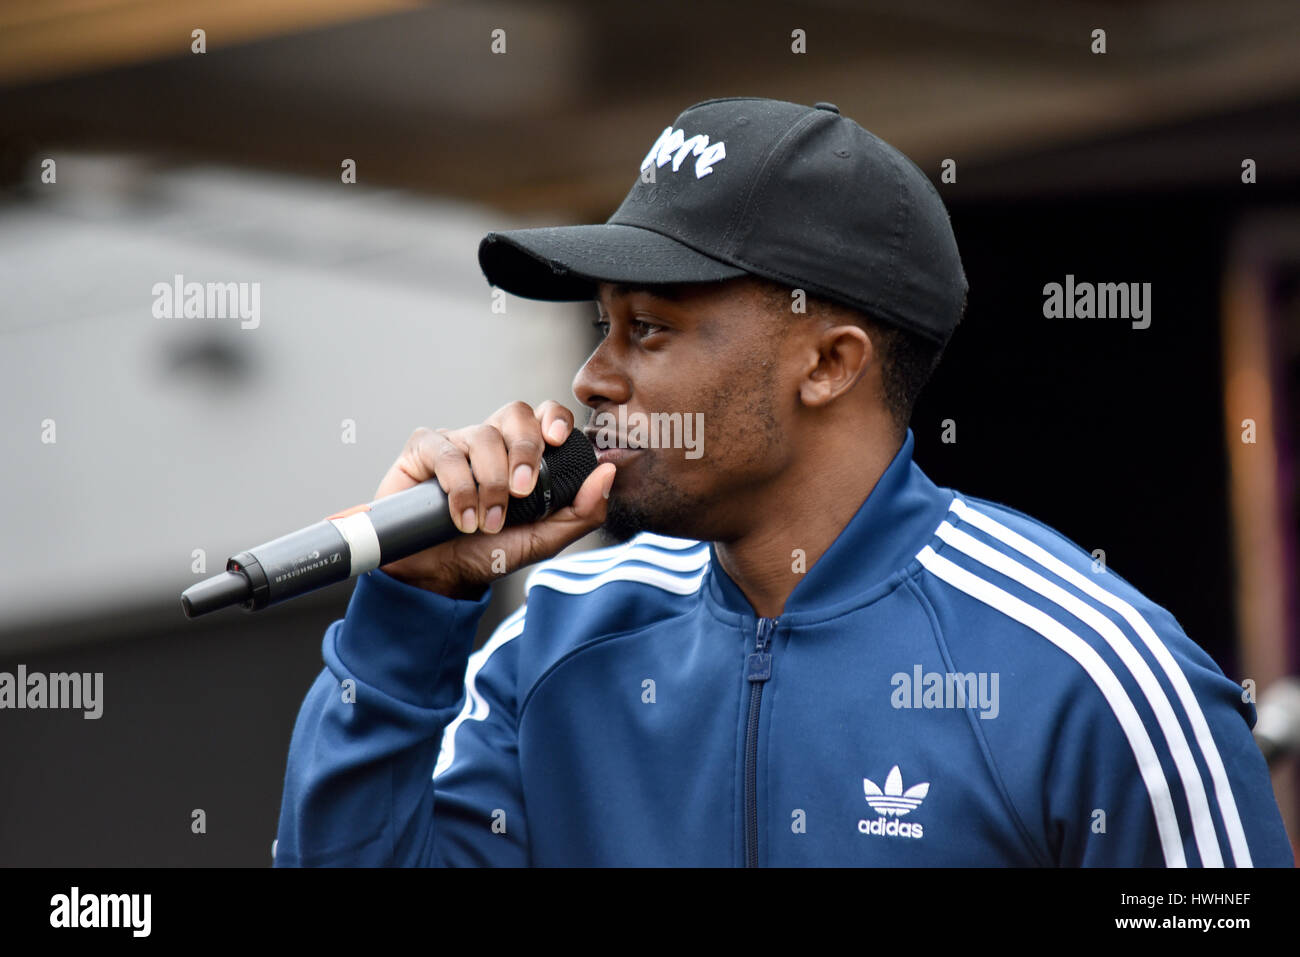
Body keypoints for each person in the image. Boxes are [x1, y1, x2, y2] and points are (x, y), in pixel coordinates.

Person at [273, 97, 1293, 866]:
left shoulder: (1089, 672)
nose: (592, 377)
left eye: (651, 329)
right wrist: (409, 619)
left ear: (829, 363)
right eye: (601, 325)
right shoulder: (553, 648)